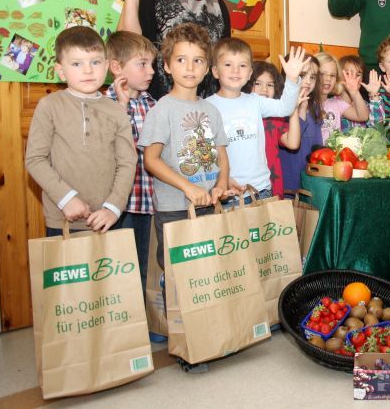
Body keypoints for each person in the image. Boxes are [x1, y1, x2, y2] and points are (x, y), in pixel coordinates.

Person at [137, 23, 229, 373]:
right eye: (182, 60)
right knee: (180, 277)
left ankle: (210, 336)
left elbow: (221, 155)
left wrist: (221, 182)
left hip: (208, 206)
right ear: (167, 65)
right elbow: (151, 159)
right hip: (175, 208)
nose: (190, 68)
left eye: (198, 61)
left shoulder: (212, 110)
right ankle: (187, 348)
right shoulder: (162, 109)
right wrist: (186, 187)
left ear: (207, 68)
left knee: (207, 273)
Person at [25, 26, 135, 236]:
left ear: (105, 66)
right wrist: (66, 198)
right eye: (77, 64)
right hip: (62, 220)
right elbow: (35, 159)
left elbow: (127, 162)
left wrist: (113, 207)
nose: (88, 70)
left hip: (108, 219)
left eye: (95, 62)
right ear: (60, 70)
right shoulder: (49, 106)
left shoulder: (117, 110)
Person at [206, 39, 305, 203]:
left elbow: (286, 108)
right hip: (228, 192)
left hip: (262, 190)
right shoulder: (207, 107)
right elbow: (205, 154)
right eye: (228, 64)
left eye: (242, 65)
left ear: (250, 73)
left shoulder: (255, 101)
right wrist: (222, 180)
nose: (236, 70)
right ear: (216, 71)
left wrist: (292, 79)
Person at [104, 31, 157, 293]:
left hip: (149, 202)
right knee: (121, 268)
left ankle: (147, 322)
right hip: (121, 204)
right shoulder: (106, 104)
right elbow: (112, 146)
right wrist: (123, 106)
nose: (151, 72)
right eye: (142, 64)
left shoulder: (153, 104)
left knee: (147, 266)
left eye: (152, 65)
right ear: (116, 67)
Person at [251, 61, 307, 198]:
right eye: (257, 83)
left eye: (270, 85)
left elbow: (293, 143)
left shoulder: (274, 118)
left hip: (271, 185)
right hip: (244, 187)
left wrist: (293, 109)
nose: (264, 89)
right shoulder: (241, 114)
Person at [279, 55, 323, 192]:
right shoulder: (280, 107)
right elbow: (292, 144)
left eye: (313, 77)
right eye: (302, 75)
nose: (308, 81)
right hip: (290, 184)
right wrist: (300, 110)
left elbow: (317, 145)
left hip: (312, 181)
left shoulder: (315, 107)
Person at [314, 52, 376, 141]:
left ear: (337, 79)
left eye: (332, 75)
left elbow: (363, 116)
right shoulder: (306, 104)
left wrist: (354, 92)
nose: (327, 79)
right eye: (322, 74)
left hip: (331, 154)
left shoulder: (337, 104)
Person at [338, 55, 385, 130]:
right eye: (348, 73)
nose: (353, 78)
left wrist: (374, 94)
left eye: (358, 75)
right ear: (337, 77)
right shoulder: (334, 103)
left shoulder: (365, 104)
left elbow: (377, 128)